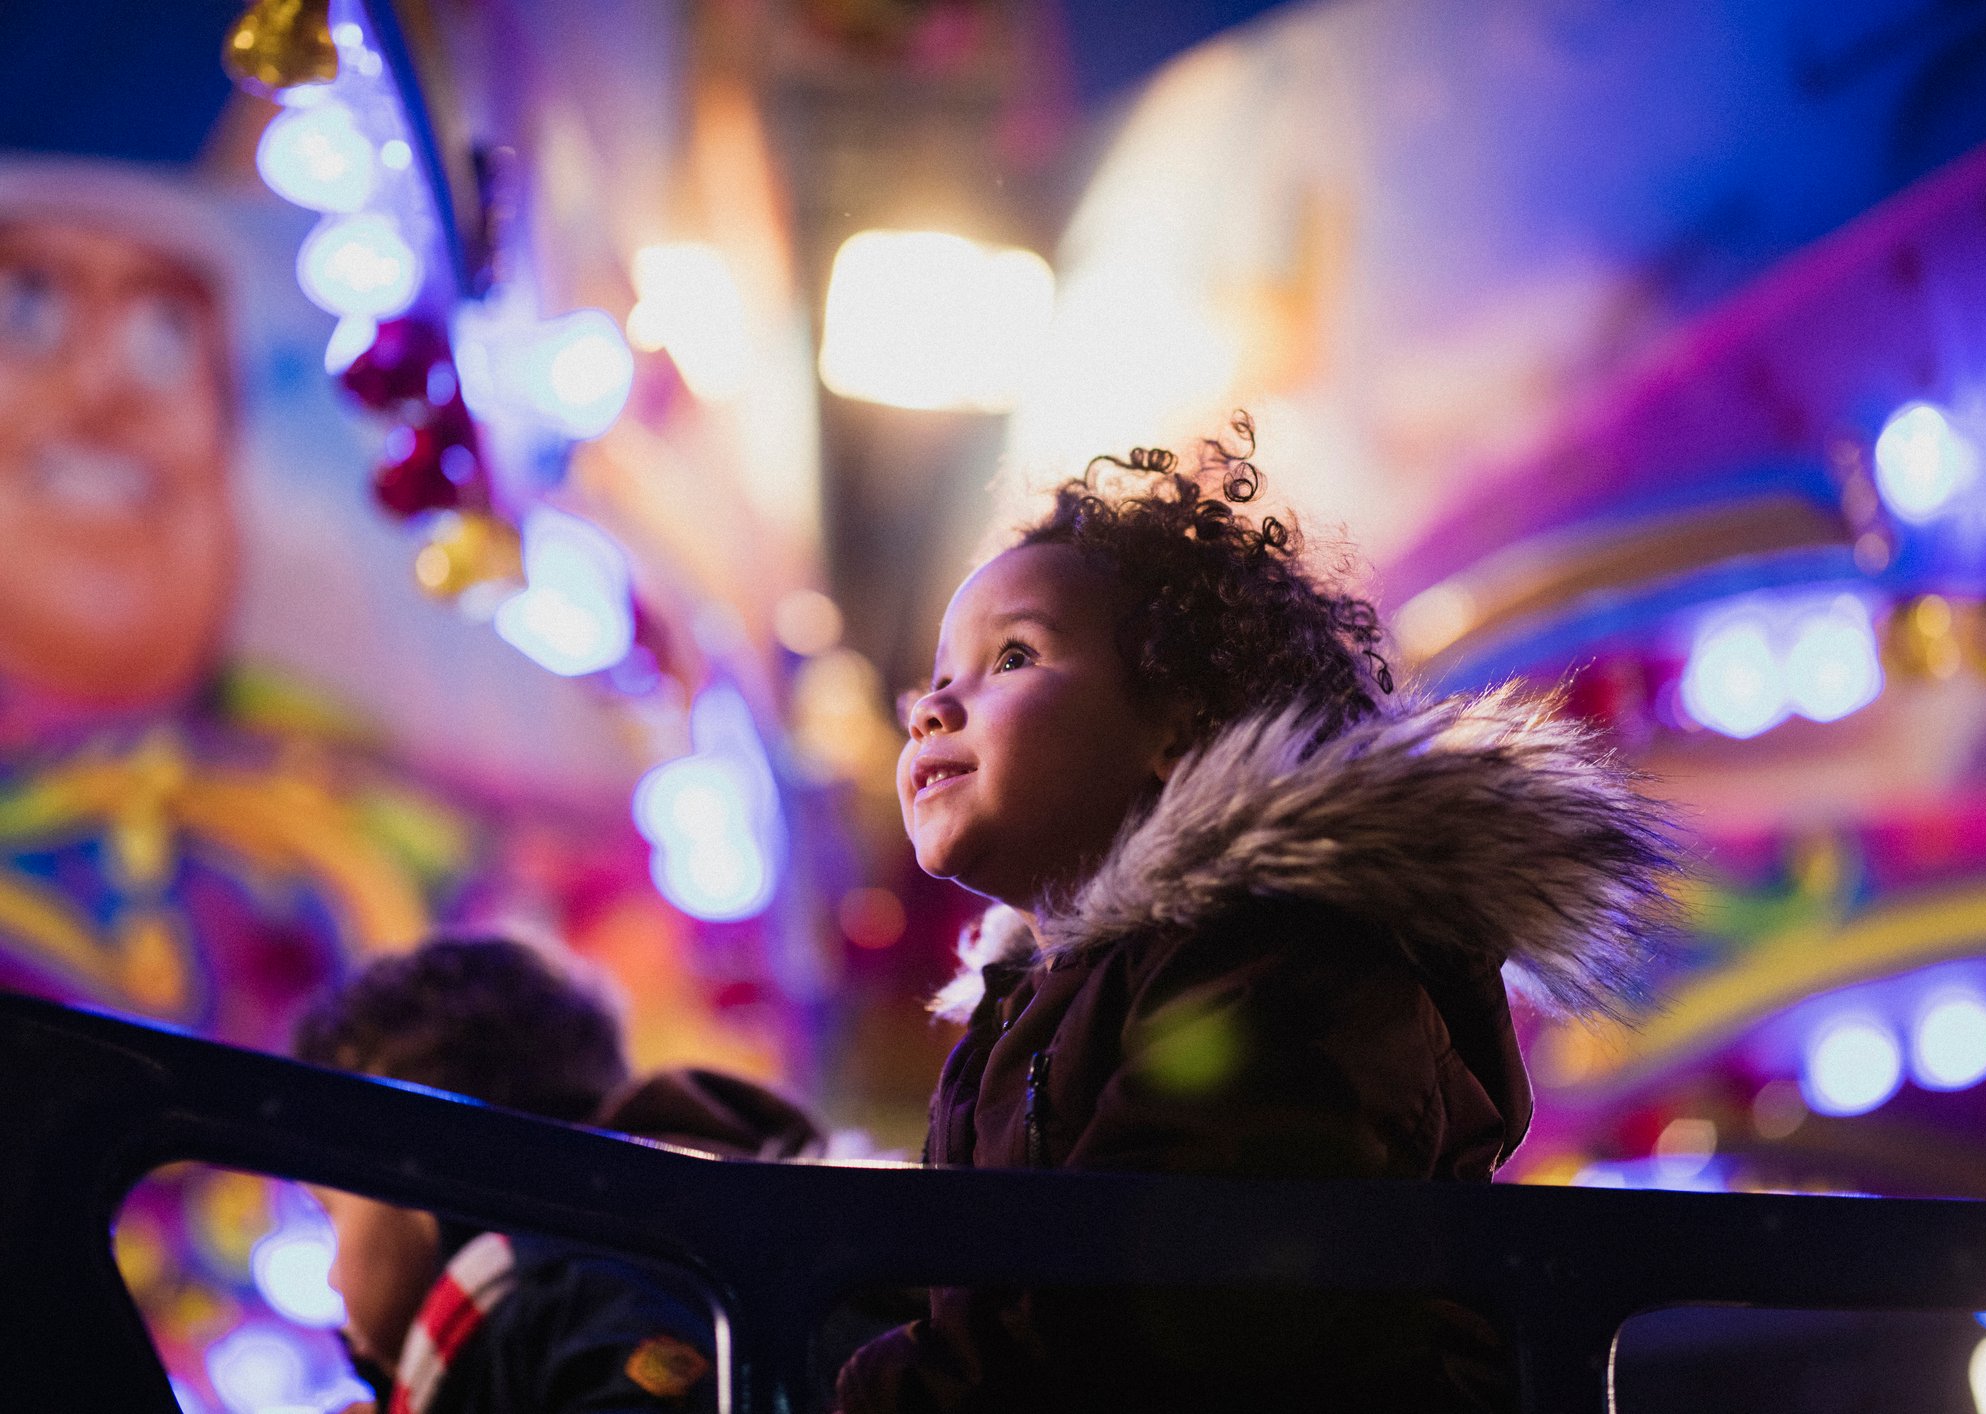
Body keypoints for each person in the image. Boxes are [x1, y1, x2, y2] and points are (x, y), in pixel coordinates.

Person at [836, 417, 1677, 1413]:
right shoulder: (1016, 1016)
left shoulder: (1281, 960)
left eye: (1011, 658)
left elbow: (1158, 1305)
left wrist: (864, 1385)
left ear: (1173, 721)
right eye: (933, 684)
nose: (935, 707)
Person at [293, 936, 825, 1414]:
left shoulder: (573, 1295)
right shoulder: (631, 1271)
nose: (331, 1279)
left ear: (414, 1170)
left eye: (328, 1214)